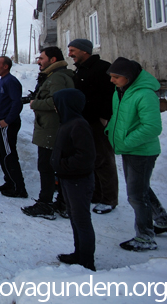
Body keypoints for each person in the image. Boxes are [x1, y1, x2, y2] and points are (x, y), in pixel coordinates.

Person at [105, 57, 164, 251]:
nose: (112, 80)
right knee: (141, 188)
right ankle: (163, 220)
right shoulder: (122, 92)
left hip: (141, 151)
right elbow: (119, 117)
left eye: (116, 77)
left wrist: (126, 142)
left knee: (136, 195)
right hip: (130, 149)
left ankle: (145, 237)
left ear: (129, 77)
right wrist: (110, 131)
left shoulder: (144, 94)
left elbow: (152, 127)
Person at [67, 38, 119, 215]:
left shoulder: (103, 68)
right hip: (83, 121)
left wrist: (105, 117)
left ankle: (109, 198)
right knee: (92, 158)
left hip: (98, 122)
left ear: (84, 51)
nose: (70, 54)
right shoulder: (80, 69)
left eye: (73, 50)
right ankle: (96, 194)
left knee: (104, 159)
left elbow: (111, 95)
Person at [21, 46, 74, 216]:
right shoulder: (54, 76)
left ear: (52, 60)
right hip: (51, 128)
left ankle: (45, 204)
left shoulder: (57, 78)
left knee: (46, 167)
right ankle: (62, 203)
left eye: (41, 58)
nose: (38, 61)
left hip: (51, 129)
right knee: (53, 166)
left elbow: (57, 101)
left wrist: (35, 103)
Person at [51, 88, 97, 271]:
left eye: (57, 104)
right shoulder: (68, 122)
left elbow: (86, 157)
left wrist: (62, 165)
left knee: (82, 220)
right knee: (75, 219)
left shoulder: (79, 125)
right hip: (68, 179)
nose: (55, 107)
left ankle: (87, 262)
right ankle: (79, 253)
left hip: (78, 181)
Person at [0, 56, 27, 198]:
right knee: (2, 154)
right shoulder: (1, 82)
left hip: (7, 124)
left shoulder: (11, 82)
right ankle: (9, 182)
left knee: (9, 155)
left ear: (5, 66)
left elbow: (17, 103)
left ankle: (19, 188)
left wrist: (7, 120)